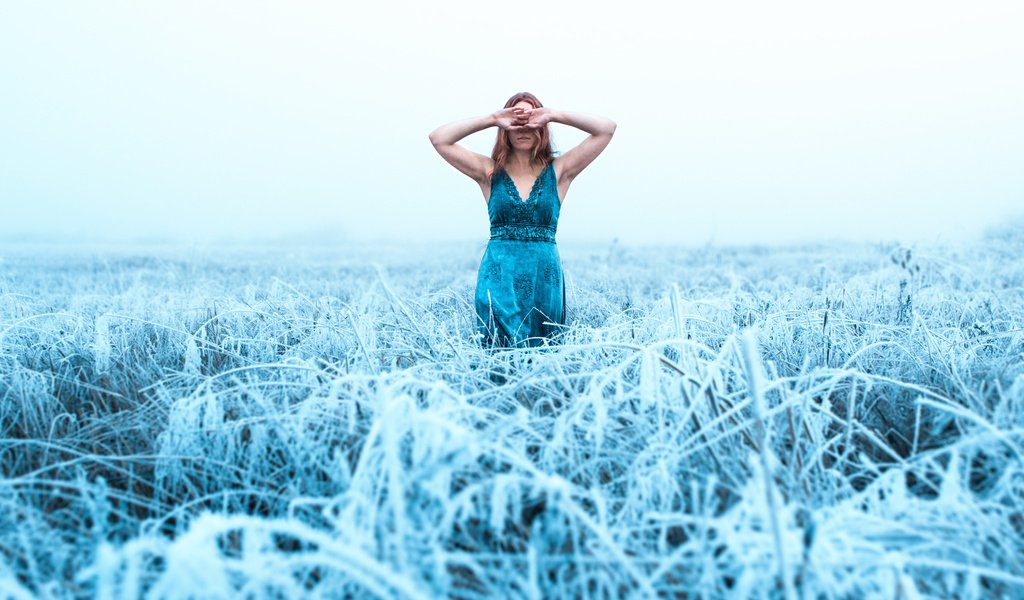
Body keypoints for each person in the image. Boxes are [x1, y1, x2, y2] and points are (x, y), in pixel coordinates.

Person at [429, 92, 615, 349]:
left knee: (544, 354)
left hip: (544, 279)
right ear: (505, 128)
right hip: (499, 277)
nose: (524, 127)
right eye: (516, 121)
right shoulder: (488, 171)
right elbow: (439, 139)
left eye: (531, 121)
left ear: (543, 127)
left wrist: (553, 114)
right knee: (497, 353)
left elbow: (606, 129)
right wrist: (494, 118)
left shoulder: (559, 171)